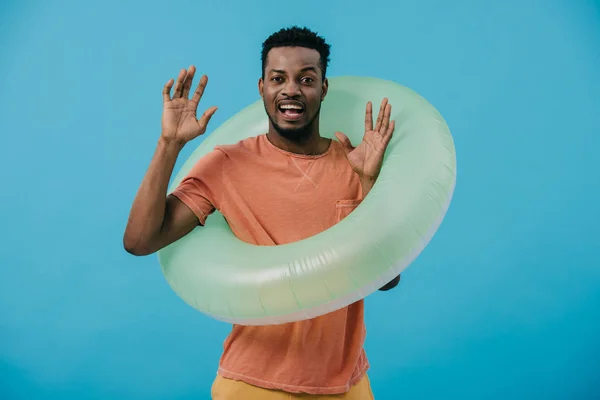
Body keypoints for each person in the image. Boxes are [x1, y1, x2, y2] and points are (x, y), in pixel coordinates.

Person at [123, 26, 400, 399]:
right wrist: (168, 144)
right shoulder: (227, 164)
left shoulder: (355, 162)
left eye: (306, 78)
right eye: (278, 78)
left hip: (346, 383)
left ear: (324, 88)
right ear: (262, 88)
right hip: (255, 384)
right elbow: (140, 240)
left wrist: (369, 182)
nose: (291, 89)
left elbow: (386, 278)